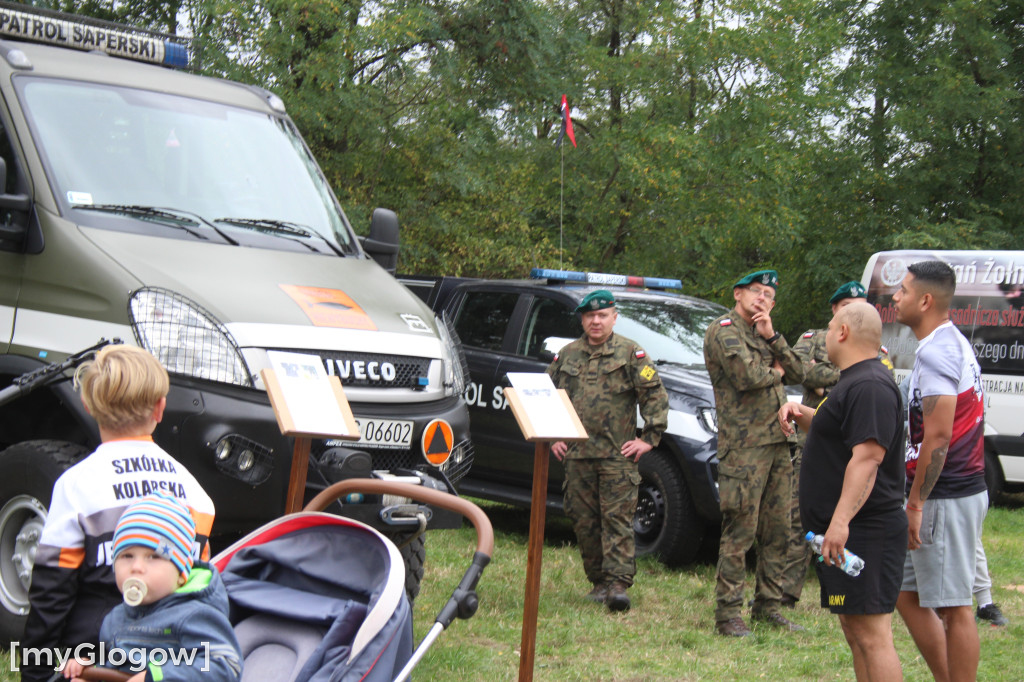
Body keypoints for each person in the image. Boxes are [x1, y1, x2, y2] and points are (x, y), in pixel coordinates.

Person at [22, 344, 216, 682]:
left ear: (87, 405)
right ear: (160, 408)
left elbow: (51, 592)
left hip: (88, 659)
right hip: (168, 658)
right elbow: (199, 589)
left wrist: (36, 672)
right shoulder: (197, 494)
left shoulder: (75, 485)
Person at [778, 301, 907, 681]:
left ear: (844, 333)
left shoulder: (869, 384)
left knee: (873, 636)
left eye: (830, 326)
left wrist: (840, 522)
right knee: (855, 632)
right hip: (842, 533)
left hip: (863, 531)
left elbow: (867, 459)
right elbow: (844, 434)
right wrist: (802, 414)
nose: (826, 333)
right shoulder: (853, 381)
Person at [892, 260, 987, 682]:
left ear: (925, 300)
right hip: (941, 492)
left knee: (954, 606)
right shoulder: (945, 343)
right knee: (906, 594)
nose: (895, 296)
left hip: (945, 494)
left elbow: (940, 434)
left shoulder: (937, 350)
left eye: (904, 290)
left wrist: (916, 502)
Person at [547, 289, 668, 613]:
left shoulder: (631, 353)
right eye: (589, 316)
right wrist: (551, 436)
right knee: (584, 520)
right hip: (577, 455)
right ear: (583, 320)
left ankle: (618, 585)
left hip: (617, 455)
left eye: (602, 315)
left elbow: (654, 394)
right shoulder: (567, 355)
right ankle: (598, 582)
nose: (596, 321)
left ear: (614, 317)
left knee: (616, 520)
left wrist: (649, 437)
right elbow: (547, 394)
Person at [703, 269, 805, 637]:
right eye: (756, 292)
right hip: (744, 449)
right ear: (738, 293)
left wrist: (774, 338)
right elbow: (747, 377)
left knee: (778, 529)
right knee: (739, 532)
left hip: (778, 443)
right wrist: (776, 371)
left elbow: (798, 370)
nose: (762, 299)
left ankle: (768, 606)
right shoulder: (724, 329)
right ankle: (728, 613)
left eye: (769, 296)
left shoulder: (764, 332)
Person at [780, 281, 891, 607]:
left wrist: (822, 371)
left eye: (859, 304)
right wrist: (823, 373)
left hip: (852, 449)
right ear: (835, 310)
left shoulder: (873, 368)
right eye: (846, 305)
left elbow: (841, 377)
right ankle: (788, 592)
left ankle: (850, 586)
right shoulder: (814, 339)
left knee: (850, 514)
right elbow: (799, 372)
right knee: (800, 519)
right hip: (814, 446)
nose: (853, 310)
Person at [62, 493, 242, 681]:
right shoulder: (115, 618)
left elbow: (226, 666)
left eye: (154, 557)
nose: (136, 567)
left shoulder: (195, 615)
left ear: (181, 574)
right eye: (127, 556)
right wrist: (93, 669)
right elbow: (117, 666)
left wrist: (157, 676)